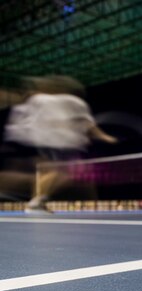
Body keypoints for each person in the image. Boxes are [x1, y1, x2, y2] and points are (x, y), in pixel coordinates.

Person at [3, 76, 117, 213]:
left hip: (44, 142)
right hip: (61, 143)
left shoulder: (38, 99)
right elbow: (88, 124)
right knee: (60, 172)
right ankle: (36, 201)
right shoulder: (75, 102)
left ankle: (38, 201)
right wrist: (105, 137)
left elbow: (24, 111)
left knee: (53, 172)